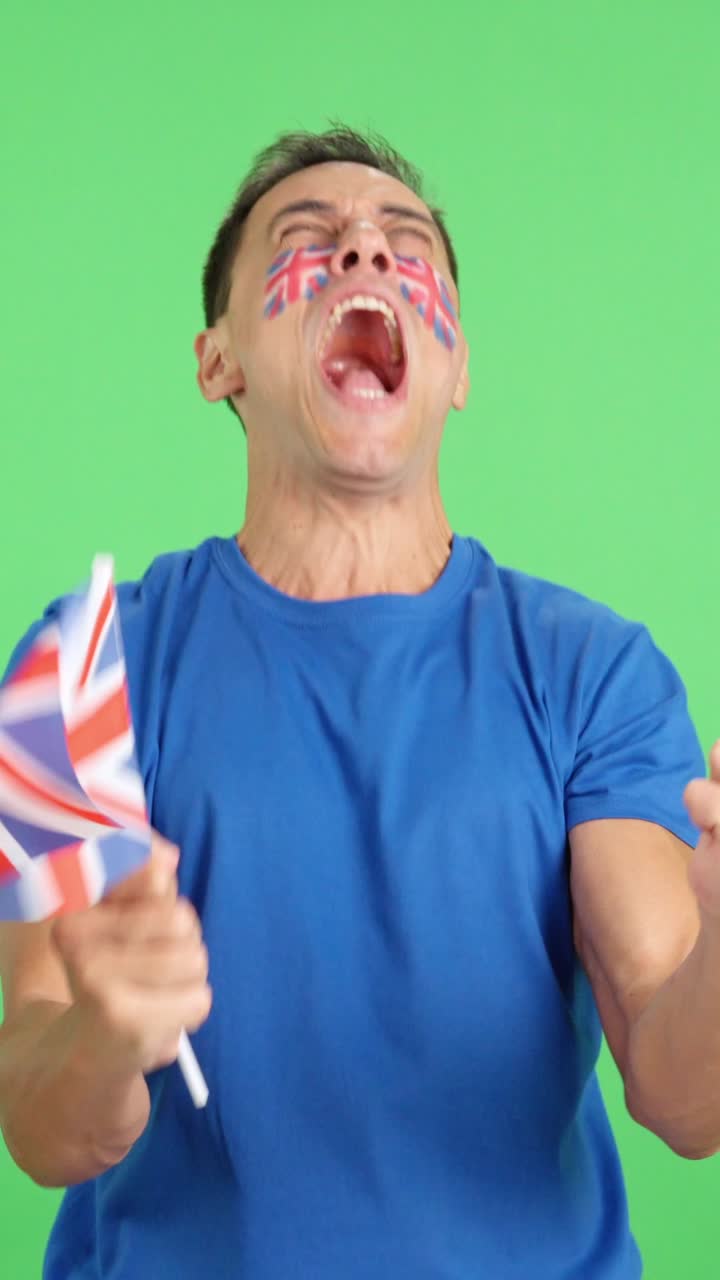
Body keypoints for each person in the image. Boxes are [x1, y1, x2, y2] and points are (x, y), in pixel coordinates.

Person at [0, 124, 718, 1280]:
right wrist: (100, 1036)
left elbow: (688, 1096)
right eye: (310, 238)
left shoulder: (594, 669)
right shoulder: (81, 664)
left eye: (404, 242)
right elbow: (40, 1124)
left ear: (460, 366)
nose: (365, 256)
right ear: (216, 359)